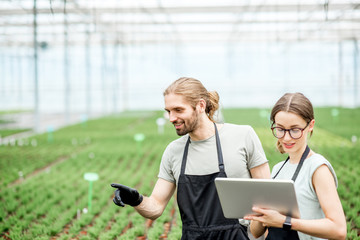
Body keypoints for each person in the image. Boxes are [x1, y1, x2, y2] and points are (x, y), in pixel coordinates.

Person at [111, 77, 270, 239]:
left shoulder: (242, 136)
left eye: (178, 110)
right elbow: (156, 208)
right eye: (168, 111)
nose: (171, 118)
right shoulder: (174, 151)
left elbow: (268, 197)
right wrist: (136, 200)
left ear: (201, 105)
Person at [244, 92, 347, 240]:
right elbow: (255, 232)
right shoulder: (278, 169)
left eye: (295, 130)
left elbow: (339, 229)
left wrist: (285, 222)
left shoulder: (318, 168)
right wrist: (261, 213)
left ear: (310, 126)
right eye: (280, 129)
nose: (286, 137)